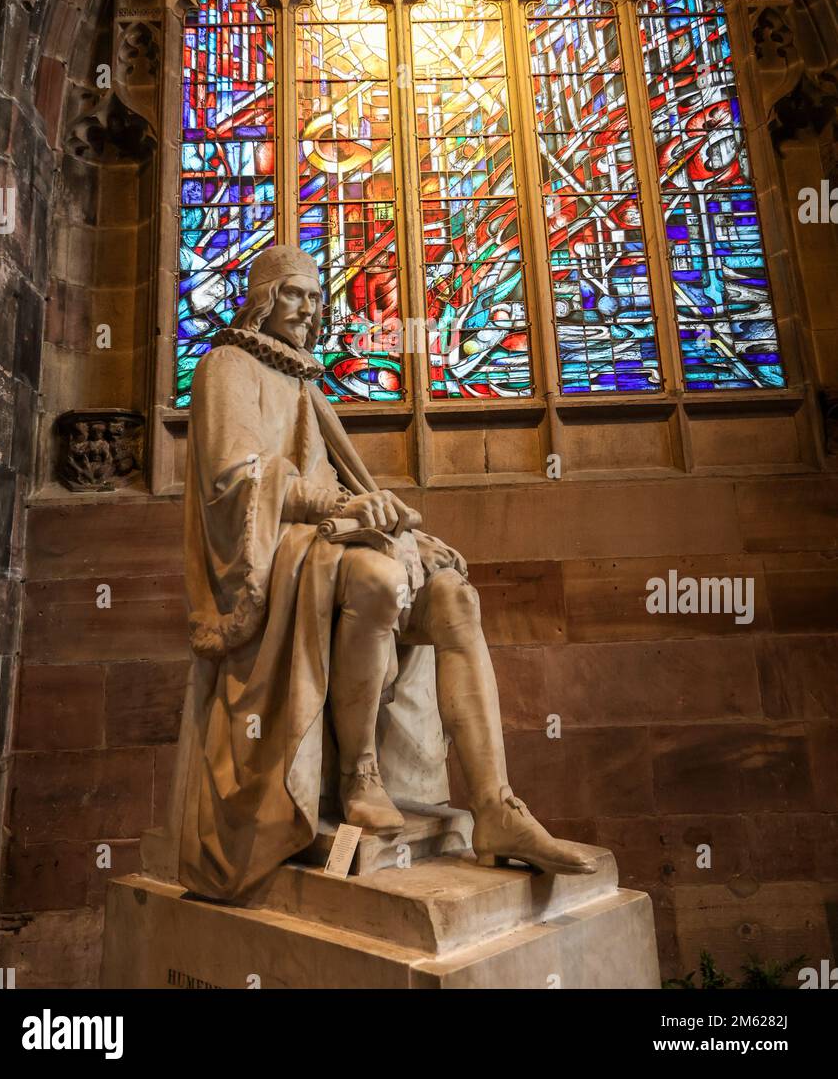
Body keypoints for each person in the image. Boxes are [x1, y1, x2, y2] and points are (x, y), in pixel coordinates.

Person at [178, 244, 596, 903]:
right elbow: (236, 481)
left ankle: (494, 806)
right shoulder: (226, 366)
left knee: (454, 596)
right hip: (283, 552)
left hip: (338, 539)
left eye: (316, 298)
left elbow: (346, 479)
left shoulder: (304, 381)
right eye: (295, 294)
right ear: (262, 298)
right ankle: (360, 774)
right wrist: (342, 507)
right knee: (376, 580)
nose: (309, 309)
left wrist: (399, 528)